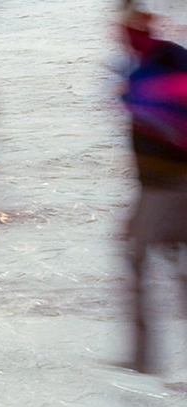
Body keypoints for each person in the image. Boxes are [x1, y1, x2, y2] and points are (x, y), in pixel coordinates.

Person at [121, 8, 187, 374]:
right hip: (161, 188)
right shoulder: (165, 59)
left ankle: (143, 357)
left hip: (164, 189)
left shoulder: (152, 71)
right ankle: (142, 355)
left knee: (137, 260)